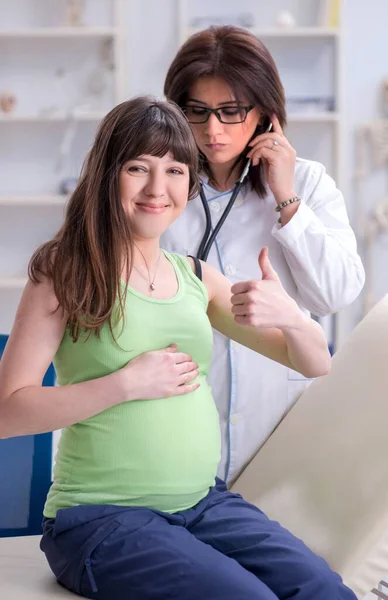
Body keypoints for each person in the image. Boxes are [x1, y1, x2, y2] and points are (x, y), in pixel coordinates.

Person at [0, 97, 355, 600]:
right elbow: (6, 412)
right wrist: (126, 383)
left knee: (324, 591)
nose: (156, 188)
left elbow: (315, 362)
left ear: (189, 183)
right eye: (137, 168)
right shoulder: (64, 271)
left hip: (201, 504)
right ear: (107, 175)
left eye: (174, 170)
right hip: (99, 520)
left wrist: (292, 317)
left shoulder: (194, 275)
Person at [162, 25, 365, 484]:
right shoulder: (162, 189)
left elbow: (336, 293)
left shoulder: (307, 184)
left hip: (283, 421)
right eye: (197, 112)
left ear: (264, 114)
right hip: (185, 423)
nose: (212, 130)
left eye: (230, 112)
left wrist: (286, 196)